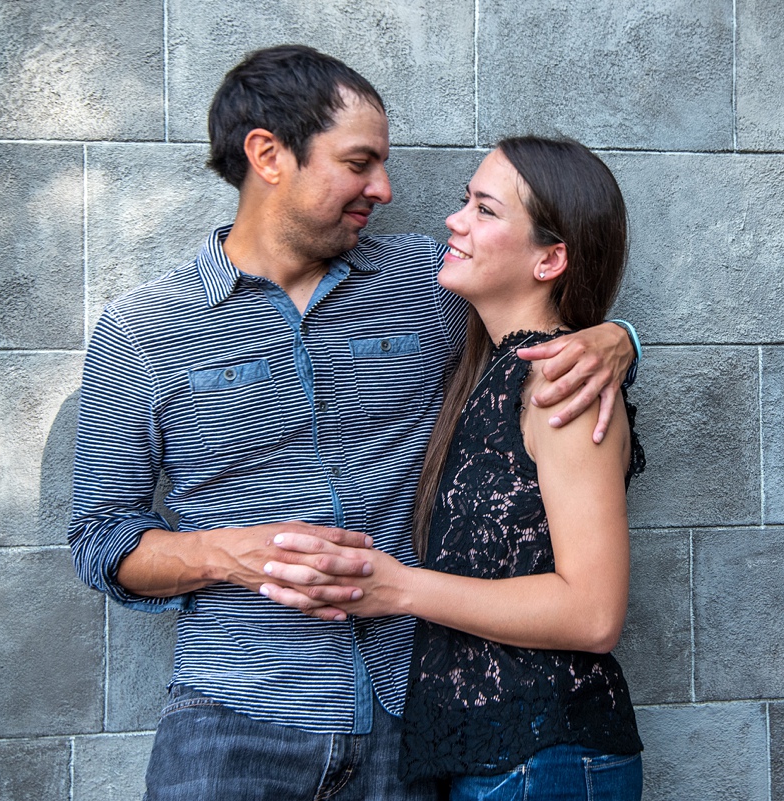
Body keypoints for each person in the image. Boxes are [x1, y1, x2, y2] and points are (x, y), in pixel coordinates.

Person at [66, 46, 638, 801]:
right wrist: (227, 554)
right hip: (234, 713)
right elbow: (100, 534)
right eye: (360, 162)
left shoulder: (425, 284)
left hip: (411, 720)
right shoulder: (141, 331)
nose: (387, 189)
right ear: (268, 154)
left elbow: (540, 296)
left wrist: (617, 337)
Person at [263, 137, 644, 800]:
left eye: (485, 210)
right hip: (493, 758)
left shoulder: (560, 386)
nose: (454, 221)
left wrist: (398, 588)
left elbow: (592, 610)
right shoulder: (494, 374)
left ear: (551, 257)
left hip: (543, 755)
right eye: (463, 200)